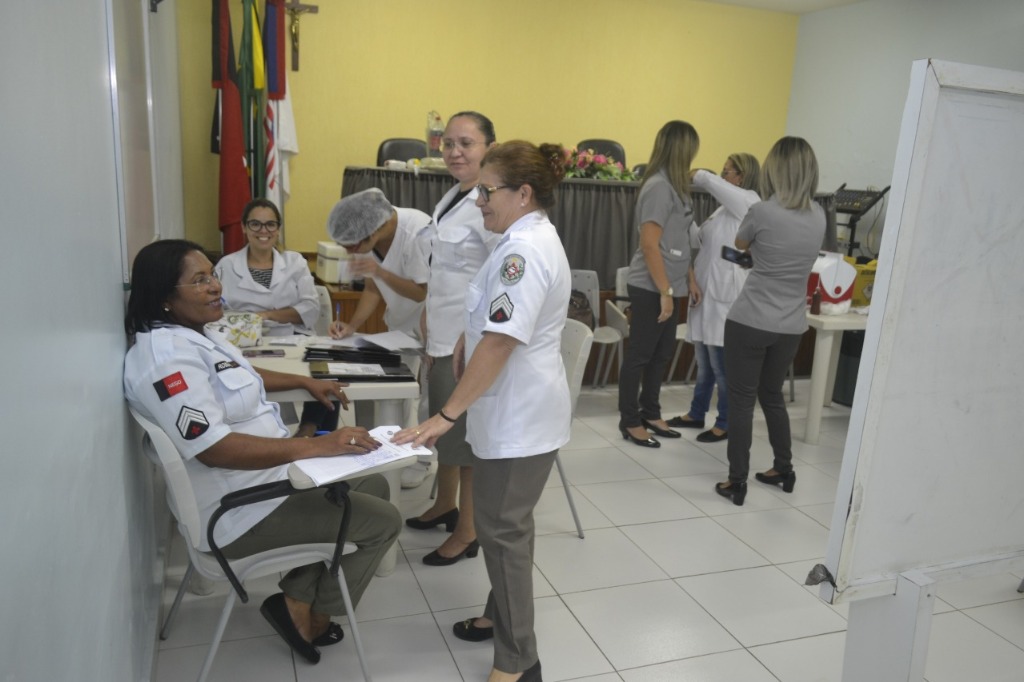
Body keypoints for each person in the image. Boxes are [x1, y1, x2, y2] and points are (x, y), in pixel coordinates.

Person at [123, 240, 401, 664]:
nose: (215, 286)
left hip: (266, 482)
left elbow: (238, 372)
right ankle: (316, 615)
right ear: (164, 296)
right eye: (199, 280)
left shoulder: (193, 335)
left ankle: (296, 599)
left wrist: (304, 381)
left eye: (213, 274)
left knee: (374, 484)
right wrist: (316, 446)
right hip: (239, 510)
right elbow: (214, 450)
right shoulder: (165, 361)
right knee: (384, 521)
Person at [394, 139, 570, 682]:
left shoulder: (524, 252)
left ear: (523, 193)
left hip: (519, 418)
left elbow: (501, 342)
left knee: (503, 532)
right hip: (512, 410)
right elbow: (494, 320)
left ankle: (518, 662)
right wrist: (466, 340)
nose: (478, 201)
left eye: (487, 192)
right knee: (505, 528)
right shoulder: (517, 239)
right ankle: (500, 616)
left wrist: (446, 415)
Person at [403, 111, 501, 565]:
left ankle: (467, 532)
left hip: (467, 343)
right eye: (448, 144)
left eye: (466, 143)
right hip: (439, 335)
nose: (455, 152)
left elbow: (497, 278)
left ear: (489, 148)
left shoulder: (490, 204)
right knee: (444, 434)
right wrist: (427, 317)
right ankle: (444, 505)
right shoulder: (453, 196)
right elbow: (442, 270)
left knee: (465, 443)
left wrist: (467, 336)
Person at [715, 137, 825, 506]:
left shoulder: (762, 211)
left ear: (776, 169)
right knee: (772, 396)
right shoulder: (819, 215)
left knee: (741, 401)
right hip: (790, 325)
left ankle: (736, 481)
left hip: (750, 320)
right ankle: (784, 469)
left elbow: (740, 244)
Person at [216, 198, 331, 438]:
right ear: (244, 227)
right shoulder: (227, 266)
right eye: (255, 224)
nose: (263, 231)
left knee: (326, 375)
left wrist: (263, 315)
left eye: (270, 224)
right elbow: (218, 311)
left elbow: (310, 308)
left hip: (292, 339)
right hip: (244, 343)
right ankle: (264, 434)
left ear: (278, 229)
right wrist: (272, 317)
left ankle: (310, 431)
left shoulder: (295, 262)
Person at [617, 120, 700, 449]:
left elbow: (679, 240)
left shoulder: (676, 187)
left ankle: (650, 412)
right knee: (640, 355)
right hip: (651, 286)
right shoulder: (659, 188)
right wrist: (665, 292)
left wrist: (689, 279)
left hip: (671, 285)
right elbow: (650, 245)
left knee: (661, 354)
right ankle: (629, 420)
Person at [668, 154, 761, 443]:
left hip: (726, 299)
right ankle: (697, 413)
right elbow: (700, 241)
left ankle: (725, 422)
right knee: (705, 365)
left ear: (741, 177)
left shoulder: (748, 201)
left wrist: (693, 173)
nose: (722, 176)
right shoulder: (722, 211)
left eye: (727, 171)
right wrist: (684, 217)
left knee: (722, 367)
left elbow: (709, 182)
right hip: (706, 293)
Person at [326, 188, 432, 341]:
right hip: (399, 329)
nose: (350, 253)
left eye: (352, 247)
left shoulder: (417, 233)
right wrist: (352, 327)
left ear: (372, 232)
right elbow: (372, 288)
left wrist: (381, 273)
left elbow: (420, 294)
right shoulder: (362, 232)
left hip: (430, 328)